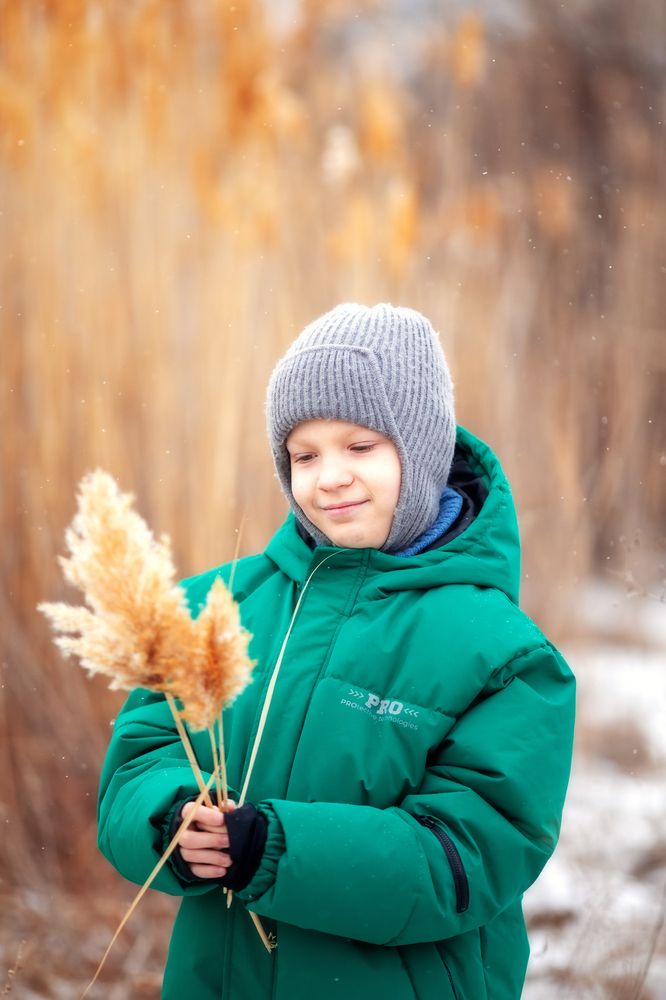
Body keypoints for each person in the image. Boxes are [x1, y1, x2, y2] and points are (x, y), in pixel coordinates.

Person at [97, 302, 575, 1000]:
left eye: (361, 447)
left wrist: (277, 850)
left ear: (422, 450)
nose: (329, 478)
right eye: (304, 454)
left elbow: (467, 858)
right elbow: (141, 757)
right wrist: (169, 820)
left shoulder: (504, 657)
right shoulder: (214, 607)